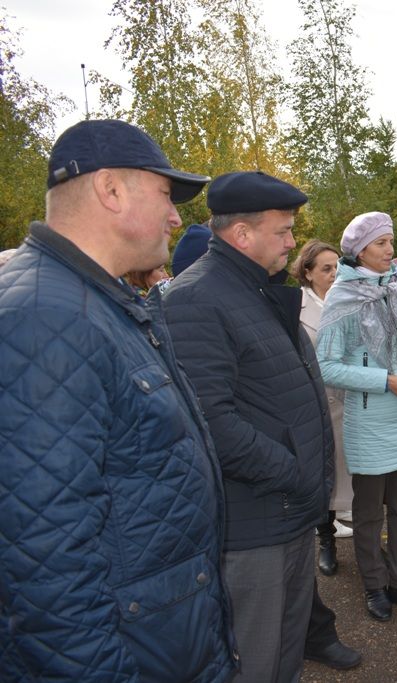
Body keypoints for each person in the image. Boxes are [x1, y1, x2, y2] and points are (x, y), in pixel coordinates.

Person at [0, 119, 235, 681]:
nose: (177, 217)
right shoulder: (45, 319)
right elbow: (46, 571)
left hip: (164, 638)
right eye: (165, 195)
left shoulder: (95, 302)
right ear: (110, 190)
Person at [163, 171, 360, 679]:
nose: (294, 242)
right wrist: (295, 471)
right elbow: (211, 423)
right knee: (253, 660)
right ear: (242, 234)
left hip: (287, 513)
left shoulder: (255, 289)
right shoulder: (195, 299)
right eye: (284, 230)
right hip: (254, 526)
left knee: (285, 655)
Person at [316, 212, 397, 622]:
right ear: (358, 251)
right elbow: (325, 366)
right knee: (370, 513)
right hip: (371, 423)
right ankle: (375, 586)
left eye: (391, 242)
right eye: (381, 244)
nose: (390, 250)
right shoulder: (343, 298)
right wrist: (385, 380)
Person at [290, 238, 353, 577]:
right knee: (323, 476)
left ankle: (367, 546)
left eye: (336, 268)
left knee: (350, 474)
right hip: (315, 401)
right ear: (308, 272)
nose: (333, 274)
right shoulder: (295, 308)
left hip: (350, 399)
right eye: (326, 268)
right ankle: (326, 540)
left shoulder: (348, 301)